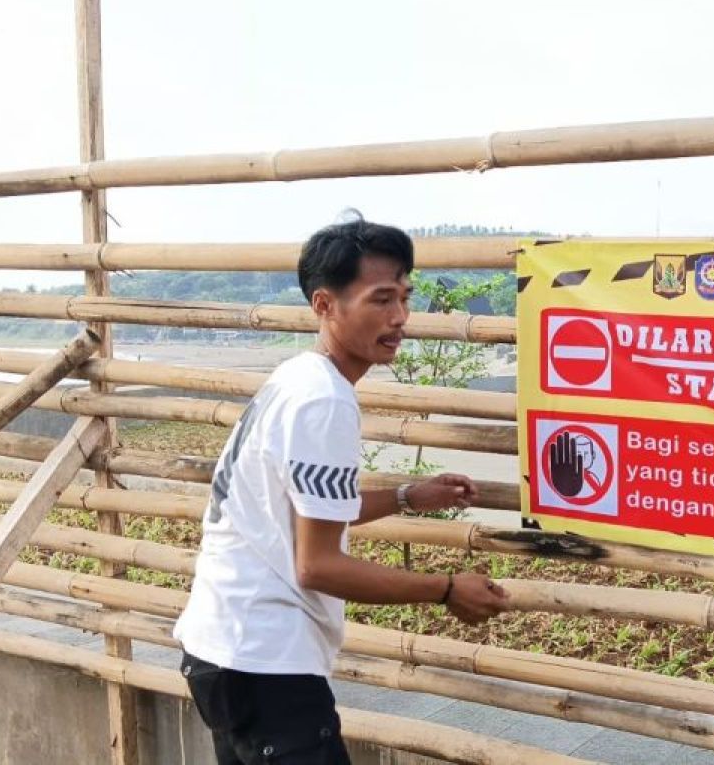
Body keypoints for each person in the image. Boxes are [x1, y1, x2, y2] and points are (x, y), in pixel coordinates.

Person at [174, 214, 510, 764]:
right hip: (266, 662)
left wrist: (406, 497)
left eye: (405, 297)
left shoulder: (297, 378)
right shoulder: (323, 400)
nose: (400, 317)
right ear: (325, 305)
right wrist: (447, 588)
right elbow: (318, 565)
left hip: (220, 651)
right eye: (380, 300)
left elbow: (306, 511)